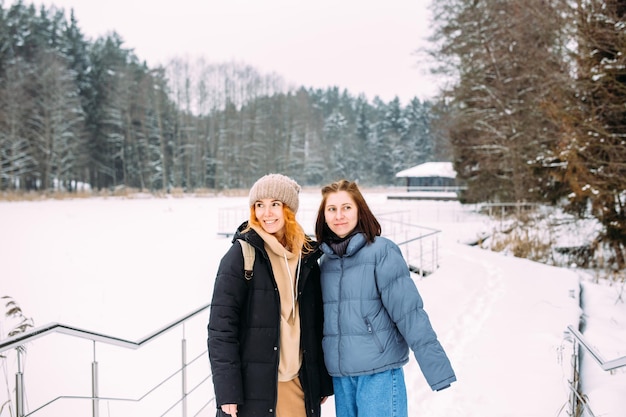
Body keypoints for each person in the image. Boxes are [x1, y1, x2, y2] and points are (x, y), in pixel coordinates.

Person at [314, 179, 456, 417]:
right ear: (324, 216)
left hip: (378, 372)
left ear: (360, 210)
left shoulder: (381, 251)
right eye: (332, 209)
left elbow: (409, 312)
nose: (339, 215)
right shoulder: (323, 261)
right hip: (342, 377)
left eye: (346, 207)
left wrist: (437, 369)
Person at [208, 173, 333, 417]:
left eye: (275, 204)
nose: (267, 213)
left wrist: (321, 380)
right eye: (260, 205)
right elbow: (221, 329)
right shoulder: (241, 255)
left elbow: (316, 323)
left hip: (299, 386)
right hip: (253, 391)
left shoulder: (306, 256)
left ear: (289, 210)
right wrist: (227, 392)